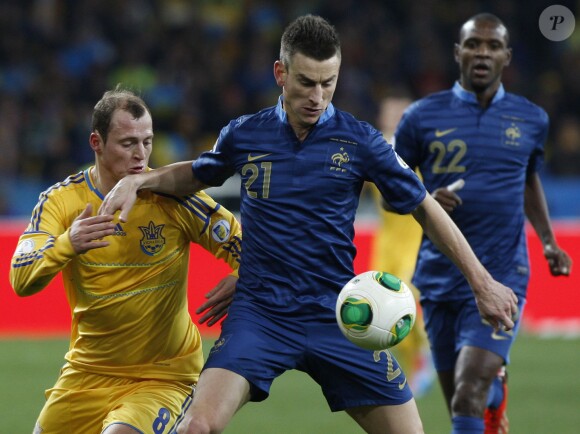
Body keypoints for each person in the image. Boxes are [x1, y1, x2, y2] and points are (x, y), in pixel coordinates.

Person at [100, 15, 518, 434]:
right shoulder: (246, 135)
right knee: (195, 427)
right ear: (280, 73)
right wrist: (143, 179)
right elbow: (198, 173)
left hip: (340, 315)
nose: (318, 96)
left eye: (328, 82)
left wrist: (481, 283)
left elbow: (425, 207)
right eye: (306, 82)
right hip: (261, 313)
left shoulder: (361, 141)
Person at [9, 87, 242, 434]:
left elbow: (251, 249)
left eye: (147, 141)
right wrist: (67, 244)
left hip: (163, 376)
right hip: (87, 375)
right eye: (128, 142)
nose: (141, 154)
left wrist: (245, 276)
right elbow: (21, 279)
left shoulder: (174, 199)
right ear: (96, 143)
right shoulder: (61, 201)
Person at [392, 13, 572, 434]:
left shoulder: (531, 119)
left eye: (493, 46)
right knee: (462, 396)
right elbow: (388, 194)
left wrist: (547, 241)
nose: (482, 53)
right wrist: (424, 200)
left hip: (504, 272)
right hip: (439, 276)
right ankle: (495, 396)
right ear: (458, 52)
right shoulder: (420, 117)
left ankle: (487, 391)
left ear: (507, 56)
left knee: (467, 390)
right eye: (474, 44)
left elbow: (528, 180)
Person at [369, 93, 435, 398]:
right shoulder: (373, 148)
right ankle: (409, 370)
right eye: (390, 113)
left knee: (409, 298)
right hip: (386, 243)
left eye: (401, 113)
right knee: (383, 311)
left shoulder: (421, 150)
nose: (395, 118)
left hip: (415, 241)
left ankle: (432, 350)